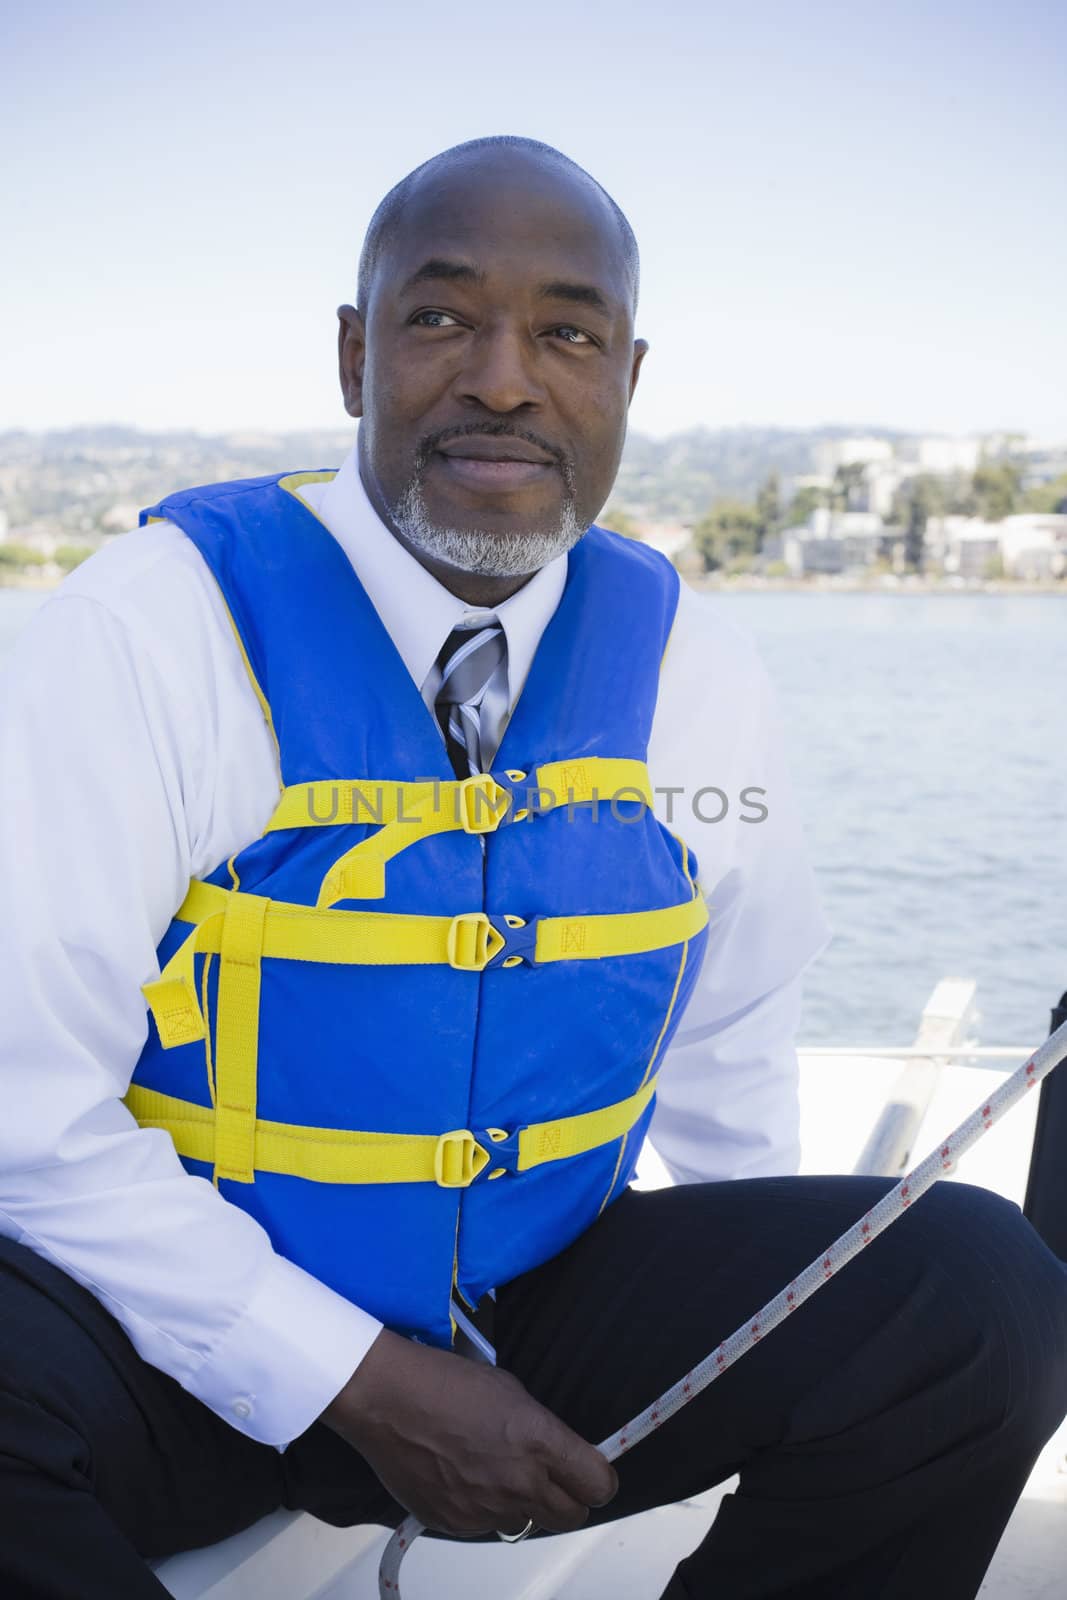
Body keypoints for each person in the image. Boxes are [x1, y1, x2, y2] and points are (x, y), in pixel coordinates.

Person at [0, 136, 1064, 1600]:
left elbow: (735, 1046)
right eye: (443, 319)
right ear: (354, 353)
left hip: (535, 1320)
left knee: (974, 1291)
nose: (505, 376)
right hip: (167, 1335)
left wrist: (788, 1345)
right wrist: (359, 1378)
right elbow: (20, 1105)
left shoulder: (695, 663)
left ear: (629, 379)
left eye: (567, 331)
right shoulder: (148, 629)